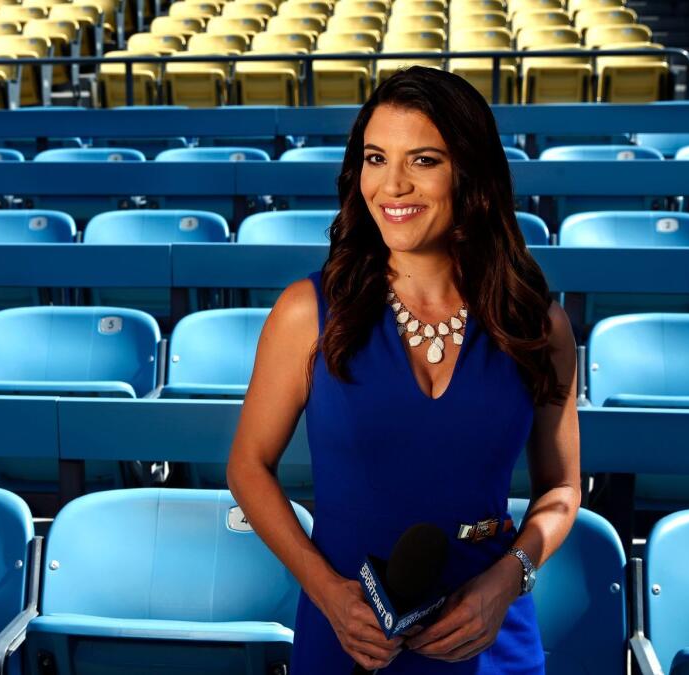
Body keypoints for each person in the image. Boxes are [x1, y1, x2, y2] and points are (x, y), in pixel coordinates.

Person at [226, 67, 581, 674]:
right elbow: (247, 467)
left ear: (471, 175)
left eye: (423, 160)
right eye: (374, 158)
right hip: (350, 636)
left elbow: (563, 490)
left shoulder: (538, 325)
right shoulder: (305, 313)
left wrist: (507, 581)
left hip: (492, 637)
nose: (392, 185)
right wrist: (327, 594)